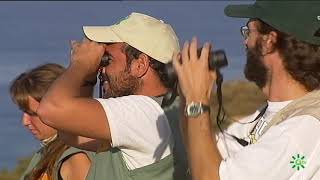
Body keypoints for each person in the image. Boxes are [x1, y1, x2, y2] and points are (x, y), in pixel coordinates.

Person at [173, 1, 320, 180]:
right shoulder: (266, 116)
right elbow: (200, 154)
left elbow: (209, 177)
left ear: (269, 41)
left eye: (248, 31)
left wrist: (196, 99)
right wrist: (187, 93)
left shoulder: (302, 130)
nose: (245, 42)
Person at [37, 12, 189, 180]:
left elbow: (49, 110)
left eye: (108, 60)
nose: (101, 68)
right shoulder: (169, 112)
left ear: (140, 65)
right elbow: (71, 134)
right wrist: (88, 78)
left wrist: (81, 64)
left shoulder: (144, 113)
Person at [10, 63, 93, 180]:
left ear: (60, 110)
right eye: (24, 112)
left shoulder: (76, 159)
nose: (25, 121)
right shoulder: (47, 152)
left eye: (33, 113)